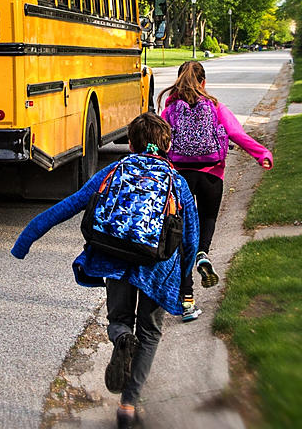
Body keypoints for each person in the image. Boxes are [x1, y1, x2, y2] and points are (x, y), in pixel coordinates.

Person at [11, 112, 199, 429]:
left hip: (114, 258)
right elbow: (191, 237)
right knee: (150, 333)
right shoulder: (176, 182)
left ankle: (122, 337)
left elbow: (69, 205)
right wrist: (186, 280)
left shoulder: (113, 171)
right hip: (157, 267)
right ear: (167, 144)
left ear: (130, 144)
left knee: (119, 320)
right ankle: (128, 405)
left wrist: (26, 239)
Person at [158, 61, 273, 322]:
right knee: (207, 219)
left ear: (179, 81)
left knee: (182, 236)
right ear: (203, 83)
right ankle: (203, 253)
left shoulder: (169, 109)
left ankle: (187, 302)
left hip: (181, 177)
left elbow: (158, 142)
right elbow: (236, 133)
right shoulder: (216, 106)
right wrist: (261, 154)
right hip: (211, 175)